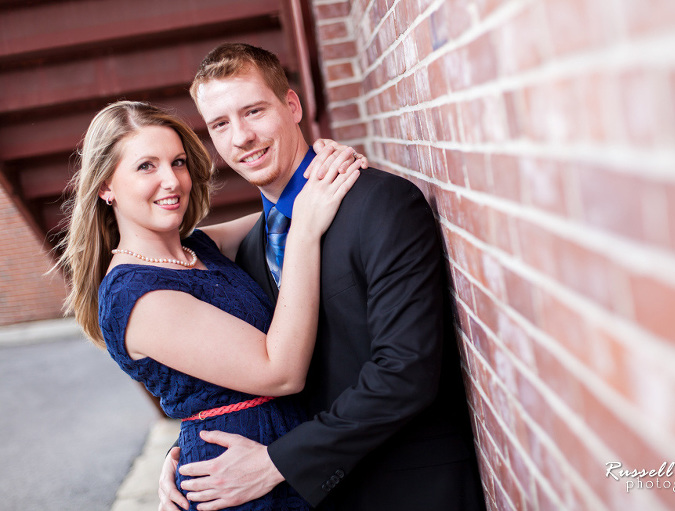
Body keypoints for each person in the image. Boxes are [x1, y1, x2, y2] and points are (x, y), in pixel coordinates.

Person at [159, 43, 485, 511]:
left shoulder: (380, 204)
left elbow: (406, 371)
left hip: (411, 492)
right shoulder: (251, 250)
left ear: (292, 106)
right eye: (220, 124)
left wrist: (277, 463)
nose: (242, 137)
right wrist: (187, 457)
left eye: (254, 111)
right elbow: (251, 383)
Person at [55, 100, 362, 510]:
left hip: (284, 459)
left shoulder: (199, 247)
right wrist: (305, 230)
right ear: (105, 187)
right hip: (236, 485)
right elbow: (280, 372)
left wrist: (331, 167)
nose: (172, 181)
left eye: (178, 162)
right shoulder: (136, 296)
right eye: (146, 166)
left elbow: (287, 213)